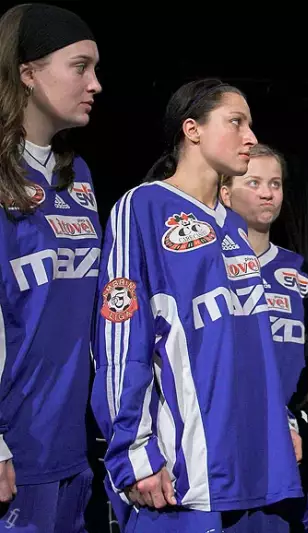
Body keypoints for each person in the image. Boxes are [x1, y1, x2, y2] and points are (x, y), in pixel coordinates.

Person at [91, 78, 303, 532]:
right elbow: (121, 336)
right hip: (185, 479)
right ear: (193, 130)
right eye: (236, 122)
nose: (250, 137)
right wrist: (133, 452)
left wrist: (282, 420)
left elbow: (252, 347)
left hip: (260, 472)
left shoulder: (235, 226)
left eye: (251, 124)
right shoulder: (143, 207)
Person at [0, 4, 101, 531]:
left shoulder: (77, 175)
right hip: (13, 454)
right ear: (28, 73)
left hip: (70, 446)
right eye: (80, 67)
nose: (95, 84)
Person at [219, 143, 308, 533]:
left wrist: (296, 422)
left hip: (291, 443)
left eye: (275, 184)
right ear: (225, 193)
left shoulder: (297, 269)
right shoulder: (209, 263)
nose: (267, 193)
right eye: (254, 183)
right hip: (227, 442)